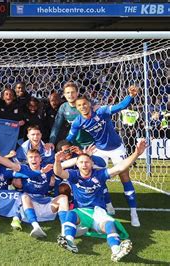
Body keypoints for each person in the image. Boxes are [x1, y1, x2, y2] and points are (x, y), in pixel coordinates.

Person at [53, 139, 147, 262]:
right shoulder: (74, 175)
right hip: (82, 212)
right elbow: (58, 172)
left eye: (87, 162)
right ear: (77, 164)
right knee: (70, 214)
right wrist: (56, 160)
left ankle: (116, 250)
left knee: (109, 224)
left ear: (91, 163)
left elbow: (119, 167)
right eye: (81, 162)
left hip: (98, 212)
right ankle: (69, 242)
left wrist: (137, 153)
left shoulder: (100, 174)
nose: (84, 164)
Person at [66, 85, 140, 227]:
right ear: (76, 107)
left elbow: (120, 106)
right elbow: (69, 138)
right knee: (96, 175)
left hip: (117, 148)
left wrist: (130, 96)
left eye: (85, 104)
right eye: (79, 105)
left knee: (124, 176)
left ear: (90, 104)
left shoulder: (102, 111)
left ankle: (133, 213)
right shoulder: (77, 122)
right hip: (99, 150)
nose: (83, 107)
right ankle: (108, 204)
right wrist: (61, 148)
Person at [0, 148, 70, 239]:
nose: (34, 159)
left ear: (40, 159)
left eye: (36, 157)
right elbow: (10, 164)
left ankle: (66, 230)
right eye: (31, 157)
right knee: (25, 196)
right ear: (27, 159)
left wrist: (59, 160)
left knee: (63, 198)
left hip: (45, 203)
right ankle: (36, 227)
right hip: (29, 206)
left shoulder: (47, 168)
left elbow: (63, 166)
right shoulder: (24, 168)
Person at [49, 82, 94, 148]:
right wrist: (51, 142)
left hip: (91, 142)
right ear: (64, 95)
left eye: (73, 92)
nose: (70, 95)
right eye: (68, 93)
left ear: (77, 93)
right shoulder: (63, 107)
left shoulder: (84, 104)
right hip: (74, 143)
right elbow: (56, 126)